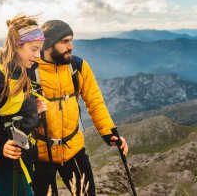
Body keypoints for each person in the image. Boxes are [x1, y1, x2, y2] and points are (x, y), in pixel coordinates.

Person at [31, 20, 129, 196]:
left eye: (71, 40)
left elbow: (95, 102)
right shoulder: (30, 71)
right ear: (48, 44)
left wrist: (109, 133)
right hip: (39, 155)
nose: (71, 46)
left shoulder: (77, 67)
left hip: (73, 149)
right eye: (64, 41)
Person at [0, 13, 47, 196]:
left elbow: (10, 114)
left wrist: (33, 112)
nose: (38, 55)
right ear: (17, 45)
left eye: (40, 49)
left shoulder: (19, 72)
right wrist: (2, 144)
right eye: (34, 49)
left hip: (16, 158)